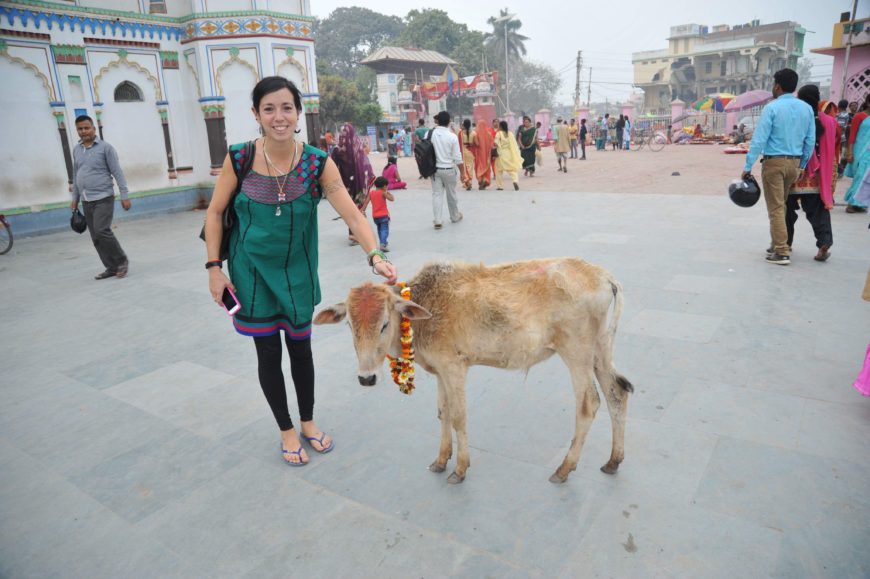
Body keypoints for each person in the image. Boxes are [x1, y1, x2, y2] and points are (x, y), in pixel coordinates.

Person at [204, 76, 397, 466]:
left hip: (298, 274)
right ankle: (286, 430)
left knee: (301, 352)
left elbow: (352, 213)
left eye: (287, 108)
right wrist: (214, 268)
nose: (279, 117)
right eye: (269, 109)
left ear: (298, 112)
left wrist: (375, 254)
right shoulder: (239, 157)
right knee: (268, 353)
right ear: (256, 114)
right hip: (251, 274)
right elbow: (215, 211)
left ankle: (308, 423)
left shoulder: (316, 163)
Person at [741, 68, 815, 266]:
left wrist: (748, 165)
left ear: (777, 86)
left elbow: (759, 139)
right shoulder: (806, 108)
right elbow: (810, 140)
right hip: (794, 163)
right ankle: (777, 244)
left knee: (775, 207)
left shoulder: (772, 108)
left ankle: (782, 251)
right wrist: (802, 165)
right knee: (781, 204)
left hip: (774, 163)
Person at [70, 114, 131, 280]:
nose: (83, 131)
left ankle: (121, 260)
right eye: (80, 129)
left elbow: (117, 172)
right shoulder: (76, 150)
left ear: (94, 129)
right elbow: (76, 175)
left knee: (102, 230)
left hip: (104, 196)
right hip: (86, 199)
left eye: (86, 128)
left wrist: (124, 195)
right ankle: (111, 267)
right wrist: (75, 198)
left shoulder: (106, 148)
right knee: (95, 236)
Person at [786, 85, 836, 262]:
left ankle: (786, 243)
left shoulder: (796, 118)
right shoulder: (830, 121)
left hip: (796, 171)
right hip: (817, 176)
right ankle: (824, 242)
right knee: (818, 211)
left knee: (786, 210)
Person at [331, 123, 375, 245]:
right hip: (360, 184)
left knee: (351, 207)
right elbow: (365, 165)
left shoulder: (337, 149)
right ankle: (359, 233)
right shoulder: (358, 147)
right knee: (359, 207)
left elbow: (332, 167)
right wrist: (367, 176)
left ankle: (354, 233)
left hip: (346, 186)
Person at [430, 111, 463, 228]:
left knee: (437, 194)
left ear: (437, 121)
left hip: (435, 170)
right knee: (451, 194)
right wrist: (463, 173)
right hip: (449, 169)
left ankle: (438, 220)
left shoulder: (430, 134)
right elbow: (458, 158)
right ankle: (454, 216)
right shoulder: (452, 136)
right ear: (449, 122)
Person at [843, 94, 870, 213]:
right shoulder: (859, 116)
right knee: (860, 176)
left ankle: (859, 203)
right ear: (868, 103)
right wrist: (849, 152)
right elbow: (852, 135)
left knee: (867, 178)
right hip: (860, 151)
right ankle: (851, 203)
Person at [493, 120, 522, 190]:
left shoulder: (498, 133)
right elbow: (514, 144)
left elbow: (496, 143)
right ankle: (515, 181)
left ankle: (500, 186)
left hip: (501, 154)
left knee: (498, 170)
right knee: (511, 169)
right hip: (509, 154)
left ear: (501, 126)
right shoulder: (510, 134)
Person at [369, 176, 394, 252]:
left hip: (375, 216)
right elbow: (392, 199)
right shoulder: (383, 193)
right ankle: (383, 244)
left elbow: (366, 202)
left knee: (380, 229)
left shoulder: (371, 193)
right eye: (386, 186)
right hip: (383, 215)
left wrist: (362, 210)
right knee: (384, 230)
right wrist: (388, 193)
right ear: (384, 186)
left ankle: (383, 242)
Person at [473, 117, 494, 190]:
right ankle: (485, 180)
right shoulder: (489, 134)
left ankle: (480, 180)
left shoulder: (475, 134)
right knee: (487, 168)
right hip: (487, 155)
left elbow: (477, 144)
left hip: (478, 154)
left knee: (479, 167)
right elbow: (492, 145)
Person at [459, 118, 477, 191]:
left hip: (463, 152)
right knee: (470, 167)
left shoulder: (460, 133)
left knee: (464, 167)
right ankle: (469, 181)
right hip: (470, 152)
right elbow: (476, 143)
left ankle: (466, 182)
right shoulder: (474, 133)